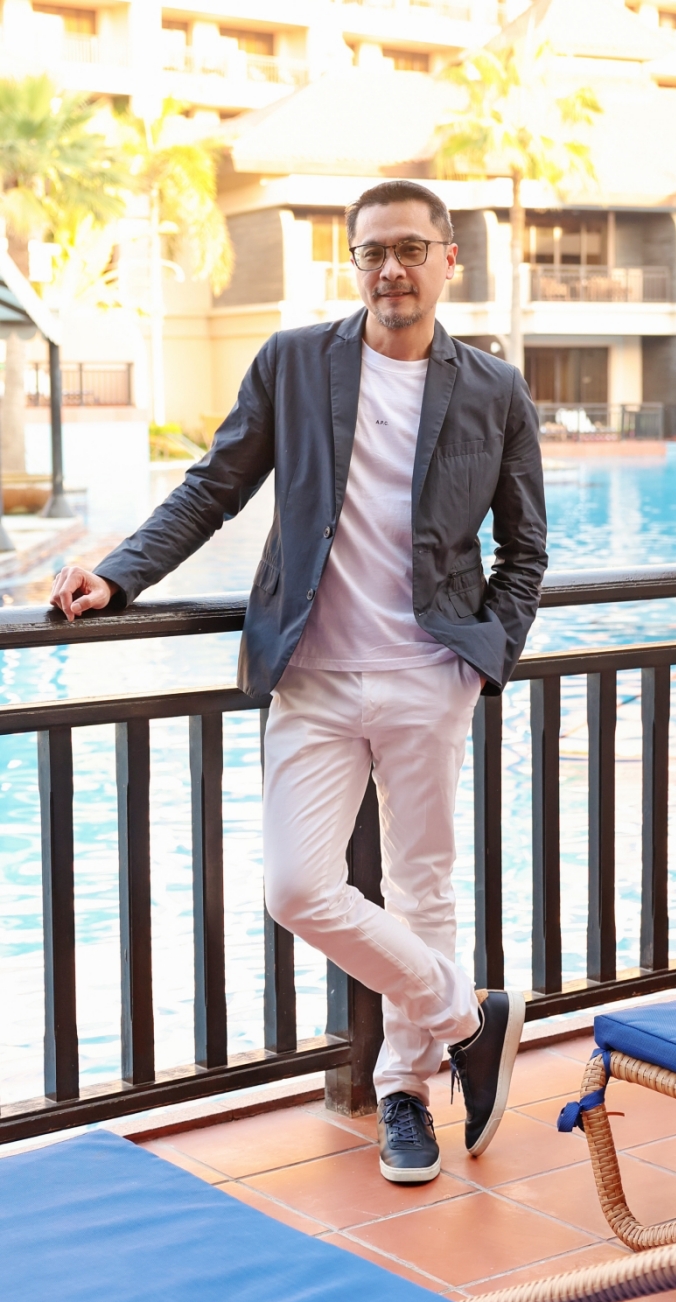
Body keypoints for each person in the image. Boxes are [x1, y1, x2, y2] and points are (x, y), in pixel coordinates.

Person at [49, 179, 547, 1185]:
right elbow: (213, 488)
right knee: (298, 887)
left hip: (429, 674)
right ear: (353, 264)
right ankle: (468, 1019)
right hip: (311, 676)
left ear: (449, 260)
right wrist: (120, 574)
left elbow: (525, 547)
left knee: (422, 886)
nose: (392, 269)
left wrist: (484, 653)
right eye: (373, 252)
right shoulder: (294, 363)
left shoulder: (495, 389)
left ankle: (405, 1091)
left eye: (411, 249)